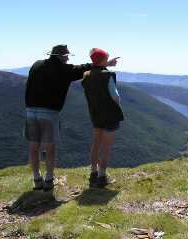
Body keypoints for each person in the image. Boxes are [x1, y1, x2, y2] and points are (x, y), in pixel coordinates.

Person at [25, 44, 118, 191]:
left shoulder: (36, 65)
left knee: (33, 146)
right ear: (61, 56)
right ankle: (49, 179)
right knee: (50, 146)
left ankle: (37, 179)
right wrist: (105, 63)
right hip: (49, 112)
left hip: (30, 110)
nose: (68, 59)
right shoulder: (65, 70)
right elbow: (83, 68)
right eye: (67, 56)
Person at [82, 48, 124, 188]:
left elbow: (96, 71)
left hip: (95, 113)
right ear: (103, 60)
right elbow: (116, 96)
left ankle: (93, 173)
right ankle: (102, 176)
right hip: (110, 115)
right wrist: (117, 107)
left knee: (96, 144)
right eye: (106, 58)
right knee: (106, 147)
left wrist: (106, 64)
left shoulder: (86, 75)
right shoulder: (108, 75)